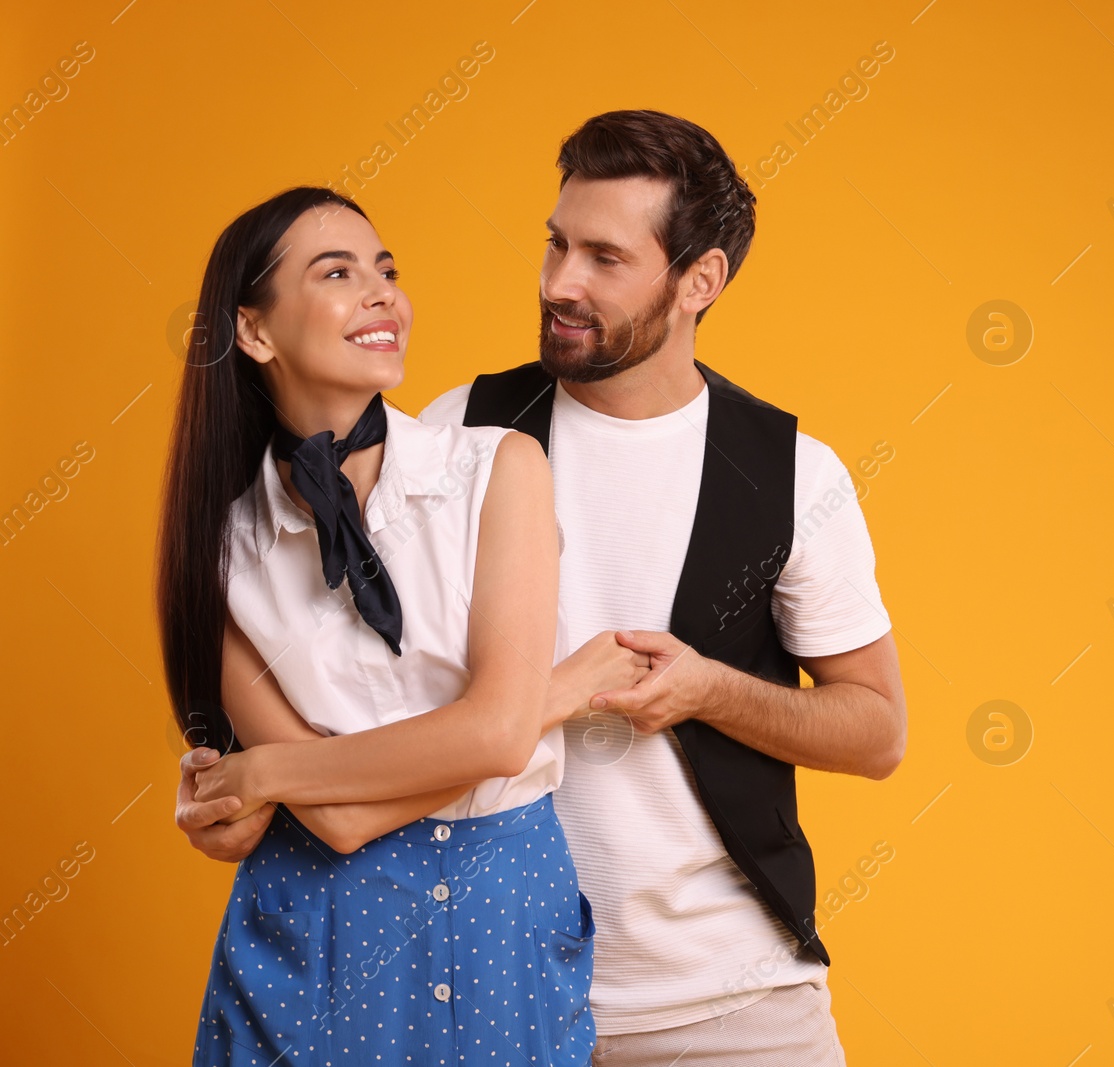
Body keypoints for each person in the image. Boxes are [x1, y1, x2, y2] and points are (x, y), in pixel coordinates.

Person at [179, 111, 908, 1066]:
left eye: (605, 257)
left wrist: (710, 689)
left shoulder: (793, 473)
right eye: (557, 243)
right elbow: (368, 719)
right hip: (496, 979)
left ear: (701, 281)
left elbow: (876, 730)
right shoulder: (456, 434)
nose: (559, 282)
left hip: (732, 998)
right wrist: (254, 788)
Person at [158, 185, 646, 1066]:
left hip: (502, 909)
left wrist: (267, 768)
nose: (382, 291)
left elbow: (496, 736)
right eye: (338, 271)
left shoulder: (498, 467)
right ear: (255, 332)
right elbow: (340, 823)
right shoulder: (220, 551)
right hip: (319, 919)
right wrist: (553, 694)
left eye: (386, 269)